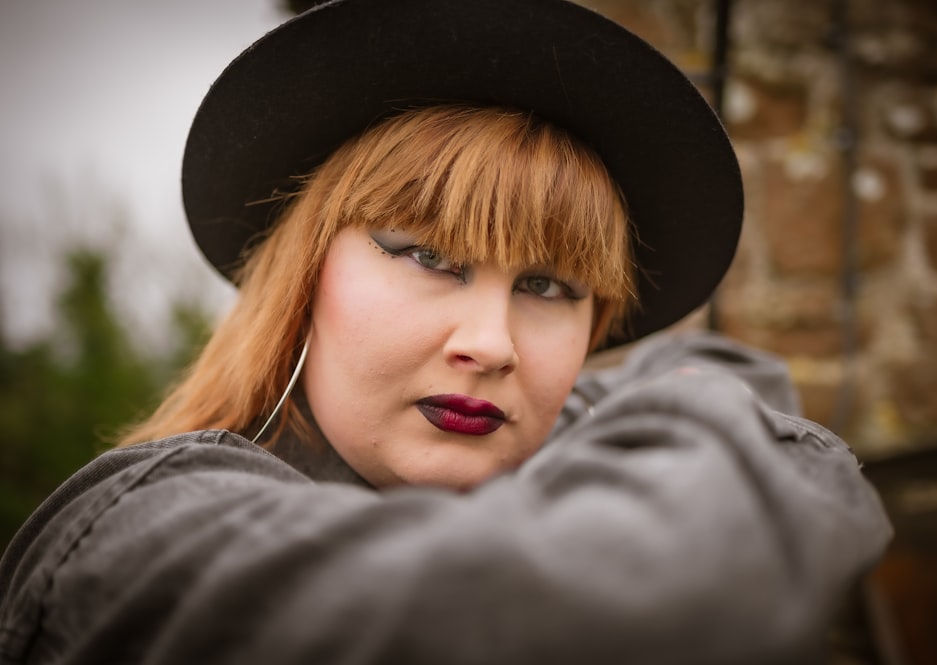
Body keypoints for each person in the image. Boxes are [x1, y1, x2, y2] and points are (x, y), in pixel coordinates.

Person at [0, 0, 891, 663]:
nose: (491, 342)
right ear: (304, 276)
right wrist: (718, 426)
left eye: (548, 285)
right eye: (428, 257)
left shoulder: (571, 434)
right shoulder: (136, 524)